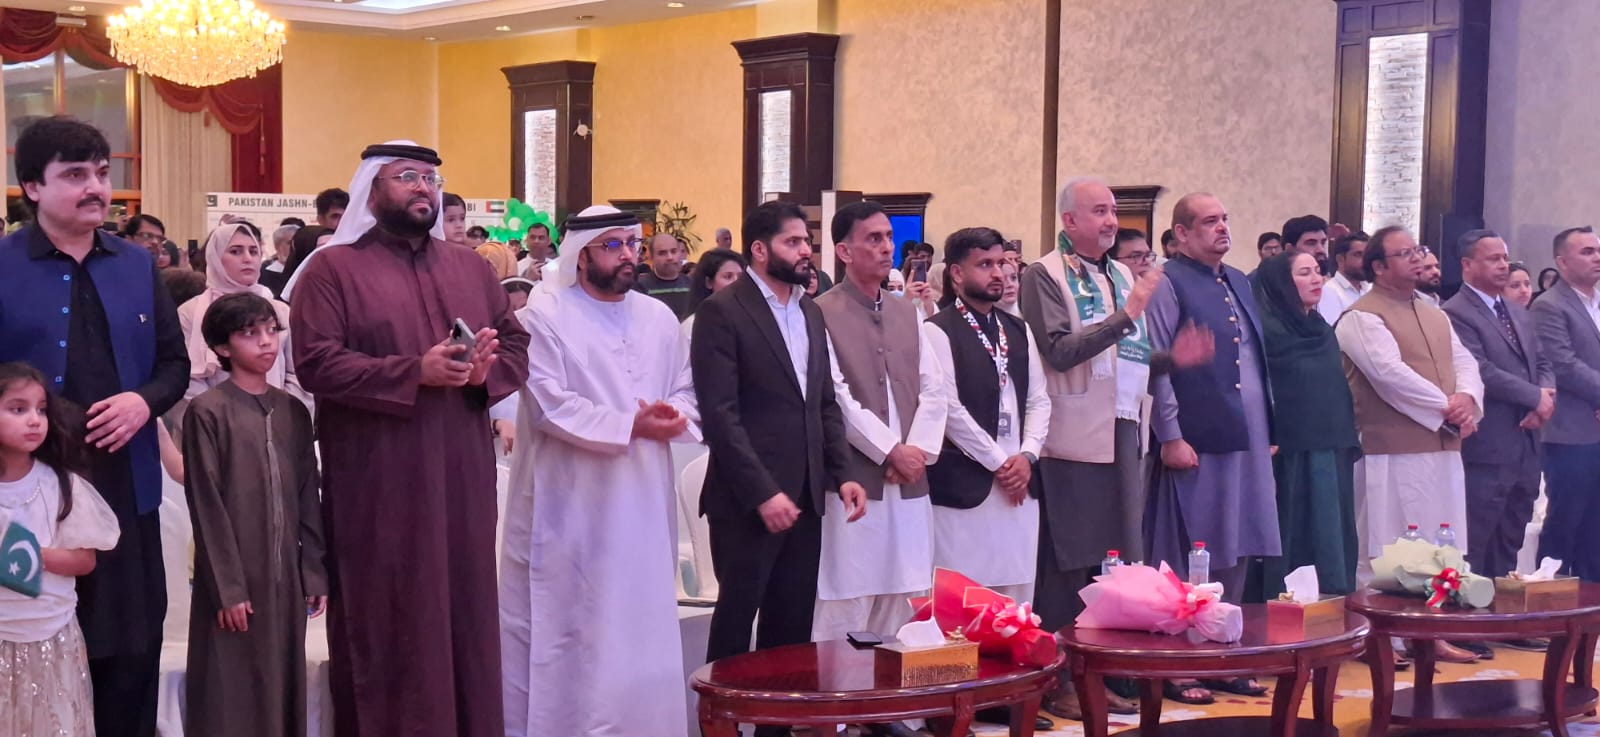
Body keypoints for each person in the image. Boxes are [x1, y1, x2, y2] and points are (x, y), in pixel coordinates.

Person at [287, 141, 530, 737]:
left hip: (461, 478)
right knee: (389, 613)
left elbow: (515, 345)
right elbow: (316, 363)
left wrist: (484, 375)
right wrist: (412, 372)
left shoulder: (470, 268)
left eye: (430, 179)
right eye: (407, 177)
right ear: (372, 191)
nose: (423, 188)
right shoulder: (332, 270)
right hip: (379, 482)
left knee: (466, 614)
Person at [0, 116, 189, 737]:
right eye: (75, 174)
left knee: (132, 652)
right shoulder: (3, 265)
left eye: (103, 174)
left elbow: (174, 365)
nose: (96, 188)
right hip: (29, 498)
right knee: (32, 653)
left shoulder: (136, 264)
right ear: (33, 186)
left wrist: (142, 402)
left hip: (127, 487)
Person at [500, 205, 699, 737]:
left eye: (632, 244)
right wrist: (630, 425)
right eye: (613, 246)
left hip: (644, 500)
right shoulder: (544, 315)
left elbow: (686, 388)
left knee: (641, 621)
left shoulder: (658, 318)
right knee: (578, 630)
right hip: (571, 505)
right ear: (580, 255)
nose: (628, 255)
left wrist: (673, 415)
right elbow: (550, 407)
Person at [693, 201, 867, 737]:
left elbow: (823, 402)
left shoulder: (809, 311)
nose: (805, 250)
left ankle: (775, 729)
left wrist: (843, 473)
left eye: (806, 241)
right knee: (737, 621)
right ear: (760, 249)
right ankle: (720, 727)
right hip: (746, 499)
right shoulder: (724, 311)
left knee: (790, 626)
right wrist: (762, 492)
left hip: (806, 493)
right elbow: (720, 416)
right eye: (793, 242)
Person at [1019, 177, 1166, 717]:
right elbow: (1059, 351)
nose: (1110, 221)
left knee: (1115, 559)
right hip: (1072, 434)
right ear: (1069, 221)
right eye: (1099, 211)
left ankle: (1100, 674)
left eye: (1113, 211)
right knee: (1070, 561)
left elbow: (1129, 355)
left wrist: (1177, 358)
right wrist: (1128, 313)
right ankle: (1057, 679)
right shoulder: (1043, 275)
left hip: (1123, 426)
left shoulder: (1120, 274)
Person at [182, 293, 327, 737]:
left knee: (282, 683)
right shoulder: (208, 411)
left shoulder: (293, 411)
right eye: (249, 333)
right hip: (234, 579)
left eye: (271, 330)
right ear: (221, 348)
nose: (266, 341)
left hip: (285, 578)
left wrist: (313, 571)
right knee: (230, 690)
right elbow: (206, 504)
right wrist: (228, 588)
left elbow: (308, 495)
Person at [1337, 225, 1483, 664]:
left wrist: (1467, 400)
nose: (1417, 258)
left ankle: (1430, 632)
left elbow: (1465, 361)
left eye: (1417, 250)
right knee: (1386, 543)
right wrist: (1447, 409)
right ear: (1379, 267)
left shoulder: (1433, 311)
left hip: (1442, 446)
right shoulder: (1362, 316)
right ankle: (1380, 638)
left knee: (1442, 541)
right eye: (1404, 253)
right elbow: (1389, 377)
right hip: (1390, 448)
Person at [812, 202, 944, 642]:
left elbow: (934, 388)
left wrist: (916, 451)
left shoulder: (908, 311)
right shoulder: (820, 312)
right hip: (855, 477)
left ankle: (893, 688)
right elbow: (836, 396)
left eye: (888, 237)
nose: (887, 247)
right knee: (846, 600)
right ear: (844, 251)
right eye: (874, 239)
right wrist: (890, 450)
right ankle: (838, 689)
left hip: (910, 479)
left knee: (906, 597)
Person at [1145, 193, 1280, 603]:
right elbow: (1158, 365)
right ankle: (1187, 634)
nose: (1222, 227)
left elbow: (1256, 357)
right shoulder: (1165, 282)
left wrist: (1269, 427)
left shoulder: (1238, 279)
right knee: (1198, 540)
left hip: (1249, 433)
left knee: (1241, 536)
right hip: (1198, 434)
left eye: (1224, 219)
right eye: (1209, 221)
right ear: (1182, 233)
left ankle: (1225, 628)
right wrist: (1170, 436)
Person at [926, 227, 1050, 606]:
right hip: (969, 482)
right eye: (984, 264)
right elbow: (949, 409)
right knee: (963, 602)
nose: (998, 273)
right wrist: (1000, 462)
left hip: (1020, 481)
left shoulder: (1018, 329)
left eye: (1001, 263)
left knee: (1017, 601)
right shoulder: (937, 330)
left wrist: (1027, 455)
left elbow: (1039, 399)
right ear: (957, 273)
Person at [0, 362, 121, 737]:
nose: (34, 420)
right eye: (18, 409)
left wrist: (25, 553)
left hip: (53, 635)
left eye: (41, 410)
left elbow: (85, 561)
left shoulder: (62, 485)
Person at [1252, 253, 1360, 598]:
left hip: (1331, 445)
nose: (1317, 279)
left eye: (1318, 272)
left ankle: (1334, 604)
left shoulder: (1321, 328)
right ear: (1282, 283)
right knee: (1293, 529)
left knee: (1331, 532)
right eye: (1304, 273)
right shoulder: (1265, 331)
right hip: (1288, 451)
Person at [1531, 226, 1600, 581]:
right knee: (1565, 522)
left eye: (1597, 250)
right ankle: (1549, 600)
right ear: (1562, 262)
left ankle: (1591, 604)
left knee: (1595, 529)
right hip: (1570, 432)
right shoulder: (1549, 305)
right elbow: (1563, 364)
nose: (1597, 257)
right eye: (1587, 252)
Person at [178, 223, 308, 407]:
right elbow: (187, 377)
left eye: (254, 252)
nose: (248, 259)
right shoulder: (191, 311)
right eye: (236, 251)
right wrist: (221, 415)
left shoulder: (279, 309)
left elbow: (297, 372)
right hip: (215, 415)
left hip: (278, 412)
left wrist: (282, 412)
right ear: (215, 258)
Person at [683, 248, 747, 344]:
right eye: (728, 276)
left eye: (740, 276)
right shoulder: (692, 326)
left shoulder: (750, 320)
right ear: (709, 282)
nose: (736, 282)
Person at [633, 232, 695, 320]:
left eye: (673, 251)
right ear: (651, 257)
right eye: (662, 253)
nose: (670, 257)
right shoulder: (639, 287)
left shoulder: (692, 285)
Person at [1318, 231, 1371, 324]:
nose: (1365, 261)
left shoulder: (1368, 288)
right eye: (1358, 255)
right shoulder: (1329, 291)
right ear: (1340, 259)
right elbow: (1334, 330)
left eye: (1368, 255)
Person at [259, 223, 299, 295]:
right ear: (277, 245)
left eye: (298, 242)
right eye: (290, 243)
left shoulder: (304, 273)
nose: (294, 247)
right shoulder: (264, 275)